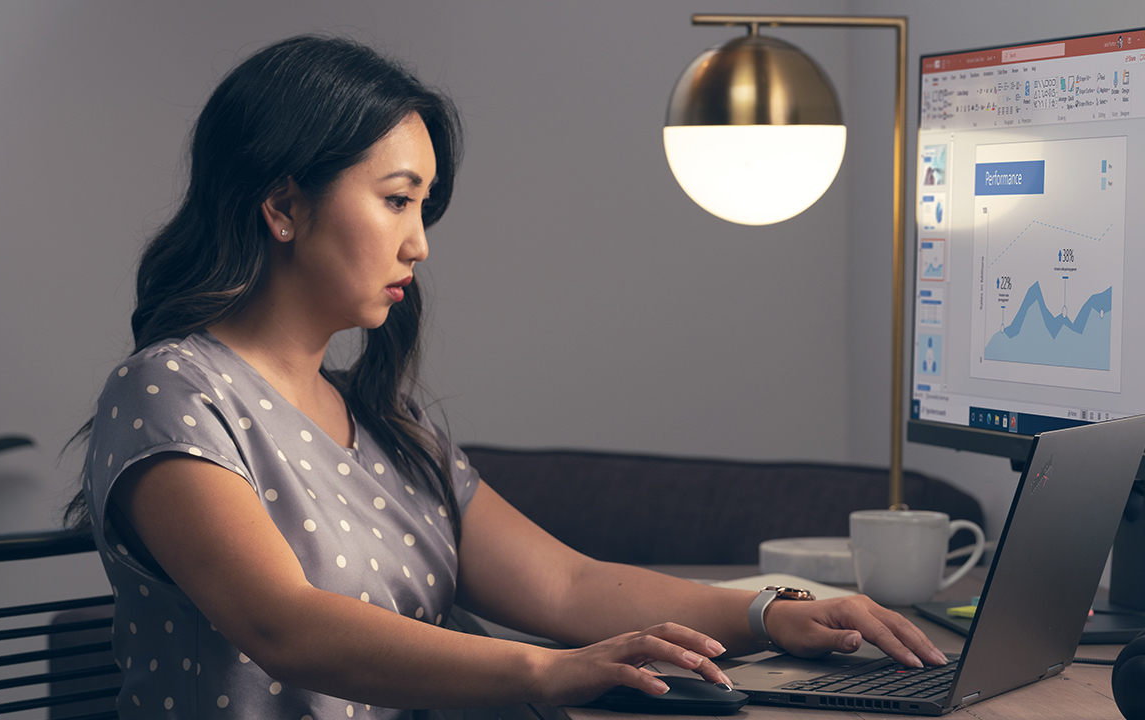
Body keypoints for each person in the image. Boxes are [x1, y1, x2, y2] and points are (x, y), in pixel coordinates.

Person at [67, 35, 945, 720]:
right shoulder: (170, 391)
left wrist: (770, 613)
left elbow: (567, 585)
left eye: (423, 207)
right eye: (396, 200)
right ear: (285, 205)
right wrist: (547, 671)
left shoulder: (379, 421)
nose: (419, 244)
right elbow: (283, 625)